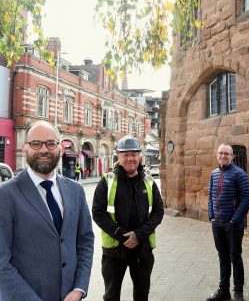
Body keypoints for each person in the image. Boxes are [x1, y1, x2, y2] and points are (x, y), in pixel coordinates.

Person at [0, 120, 94, 300]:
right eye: (36, 143)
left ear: (59, 147)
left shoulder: (76, 190)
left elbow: (85, 241)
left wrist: (80, 287)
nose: (44, 150)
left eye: (51, 143)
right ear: (24, 147)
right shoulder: (6, 194)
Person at [92, 135, 164, 301]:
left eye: (134, 154)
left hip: (142, 248)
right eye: (125, 154)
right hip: (115, 250)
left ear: (140, 156)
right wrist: (121, 234)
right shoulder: (107, 181)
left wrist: (138, 235)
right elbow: (98, 212)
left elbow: (158, 212)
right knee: (111, 295)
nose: (130, 158)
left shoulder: (149, 181)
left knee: (141, 293)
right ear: (118, 156)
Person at [207, 143, 249, 301]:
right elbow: (210, 196)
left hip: (233, 224)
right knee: (222, 257)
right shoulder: (213, 174)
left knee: (235, 257)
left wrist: (235, 220)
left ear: (232, 156)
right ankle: (223, 291)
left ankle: (238, 292)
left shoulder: (239, 174)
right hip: (217, 223)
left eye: (226, 153)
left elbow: (247, 198)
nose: (223, 156)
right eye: (220, 153)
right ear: (217, 155)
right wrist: (211, 216)